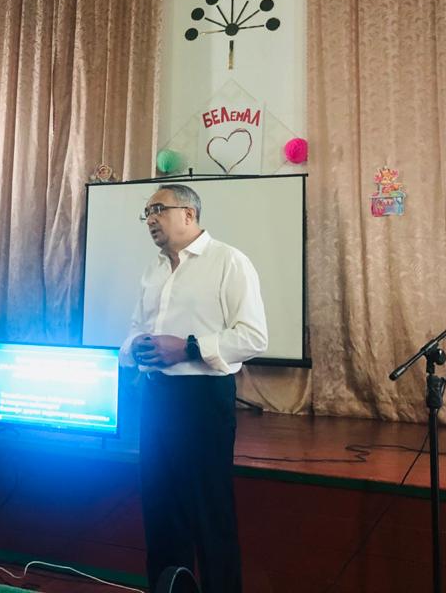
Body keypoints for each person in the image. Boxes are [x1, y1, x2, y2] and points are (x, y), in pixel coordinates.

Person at [119, 184, 268, 593]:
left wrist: (187, 347)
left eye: (158, 210)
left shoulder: (228, 261)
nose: (150, 220)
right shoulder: (153, 269)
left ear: (188, 213)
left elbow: (253, 337)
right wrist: (136, 346)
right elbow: (134, 329)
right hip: (155, 398)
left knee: (209, 514)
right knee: (161, 511)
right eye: (147, 213)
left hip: (202, 401)